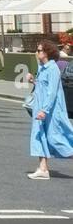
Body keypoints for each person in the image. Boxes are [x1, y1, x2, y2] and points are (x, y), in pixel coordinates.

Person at [28, 38, 73, 179]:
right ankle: (43, 169)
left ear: (47, 52)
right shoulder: (42, 67)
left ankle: (43, 169)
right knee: (40, 136)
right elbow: (43, 87)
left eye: (39, 50)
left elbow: (52, 92)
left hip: (51, 111)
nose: (37, 52)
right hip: (40, 108)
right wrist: (32, 80)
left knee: (57, 138)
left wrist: (44, 110)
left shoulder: (53, 68)